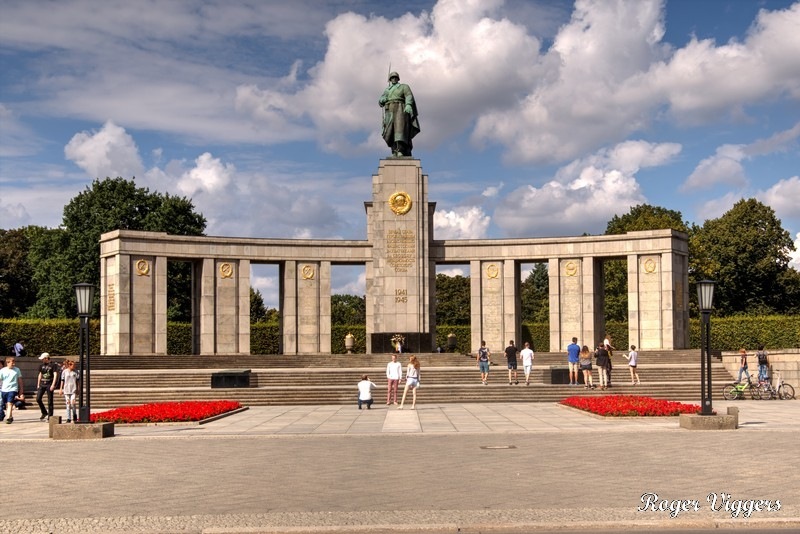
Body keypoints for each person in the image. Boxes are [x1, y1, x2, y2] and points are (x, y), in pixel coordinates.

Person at [378, 72, 420, 157]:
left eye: (395, 77)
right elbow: (381, 99)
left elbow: (409, 96)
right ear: (390, 79)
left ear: (398, 78)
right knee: (390, 131)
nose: (394, 79)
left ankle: (400, 150)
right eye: (392, 77)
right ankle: (394, 151)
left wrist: (408, 104)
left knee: (399, 130)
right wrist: (382, 99)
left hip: (400, 108)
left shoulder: (404, 87)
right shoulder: (387, 90)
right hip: (389, 110)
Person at [0, 357, 24, 424]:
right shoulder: (2, 370)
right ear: (7, 363)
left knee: (10, 403)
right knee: (7, 404)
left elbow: (20, 380)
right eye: (12, 362)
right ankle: (10, 416)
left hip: (13, 389)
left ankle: (8, 418)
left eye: (14, 362)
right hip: (4, 389)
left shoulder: (17, 370)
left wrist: (21, 390)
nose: (13, 364)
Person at [36, 352, 58, 421]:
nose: (42, 360)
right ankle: (44, 412)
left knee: (50, 401)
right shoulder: (41, 365)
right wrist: (38, 384)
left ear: (46, 358)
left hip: (49, 383)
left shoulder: (53, 365)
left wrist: (53, 384)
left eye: (43, 359)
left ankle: (50, 416)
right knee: (38, 399)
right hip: (42, 383)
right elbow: (40, 374)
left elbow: (55, 375)